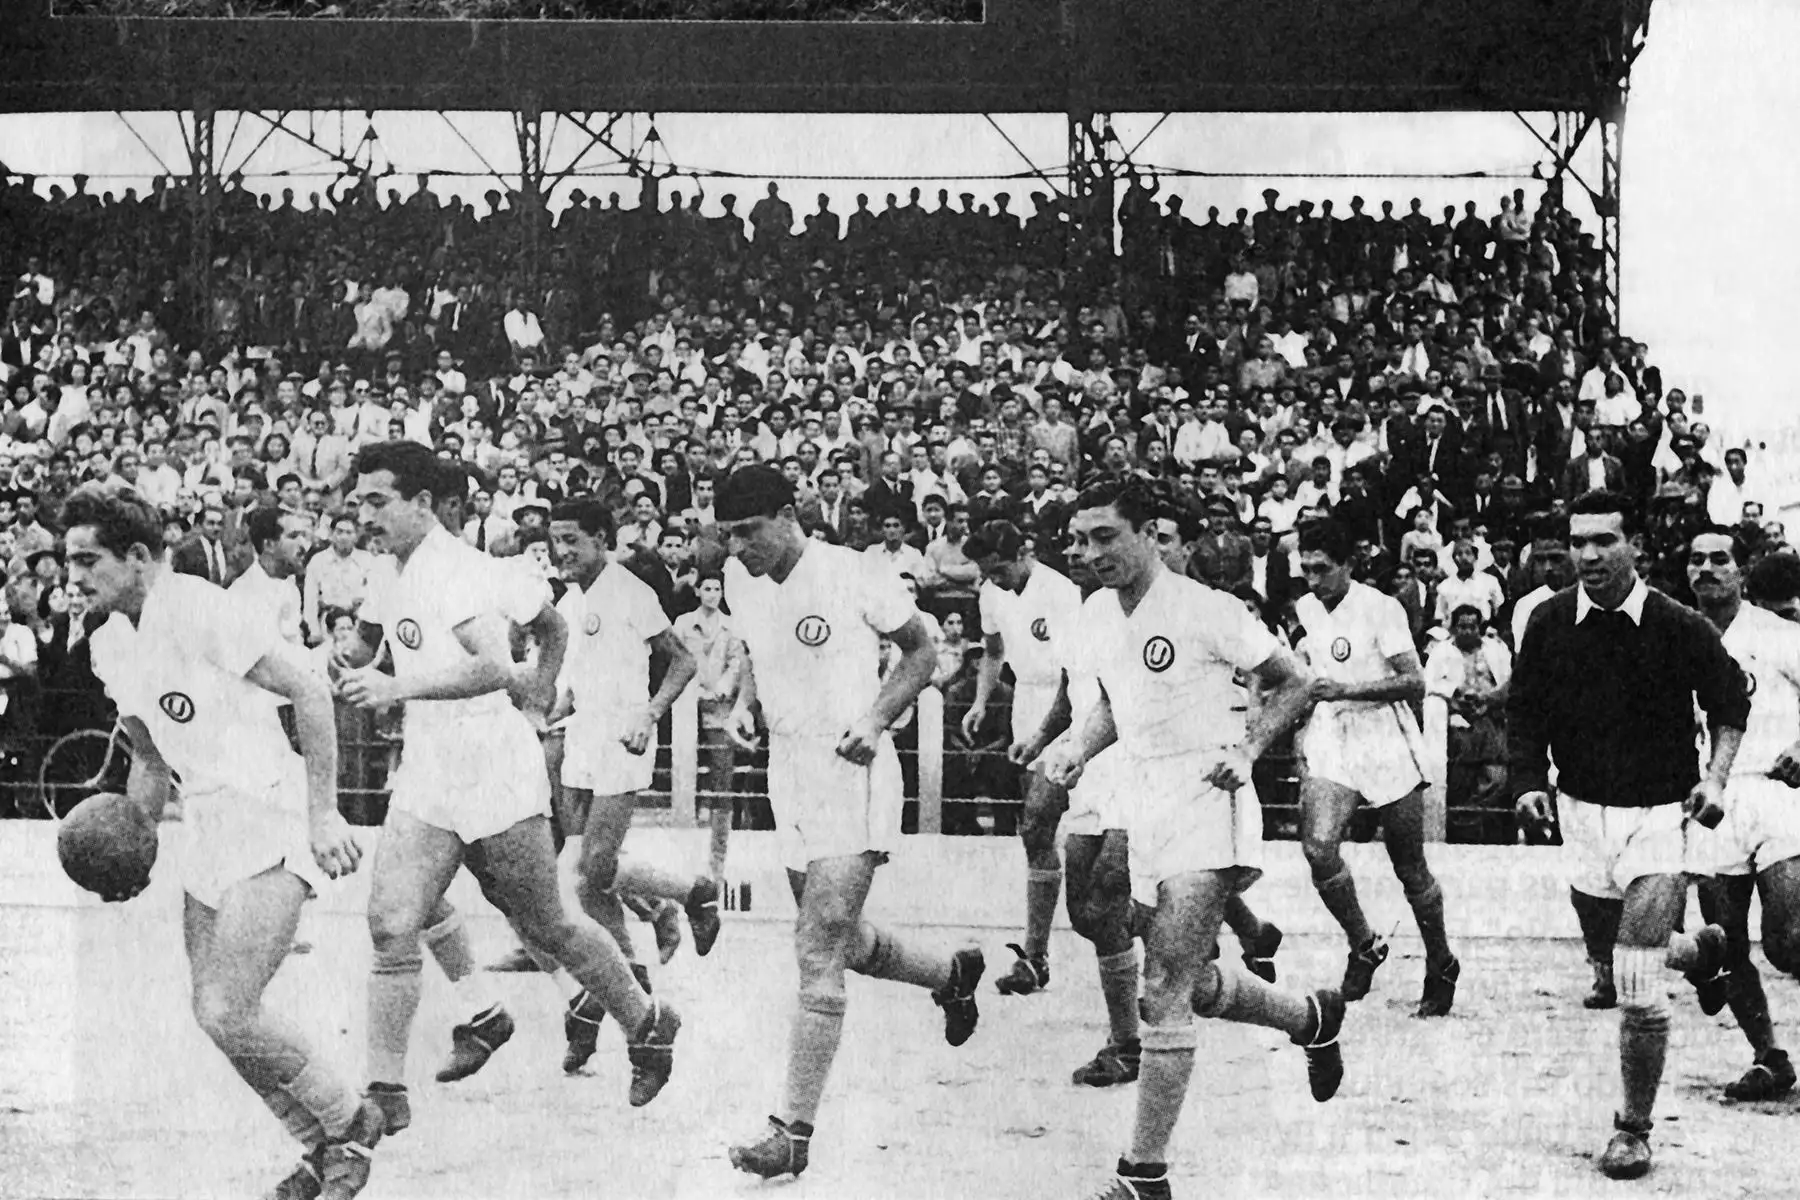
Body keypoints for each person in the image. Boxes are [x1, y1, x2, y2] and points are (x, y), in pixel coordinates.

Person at [336, 441, 680, 1134]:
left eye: (377, 502)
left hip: (492, 761)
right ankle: (385, 1090)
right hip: (432, 767)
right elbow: (546, 625)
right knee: (391, 920)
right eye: (359, 503)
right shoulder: (391, 570)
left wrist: (400, 686)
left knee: (547, 923)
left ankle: (647, 1022)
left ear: (422, 504)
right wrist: (339, 661)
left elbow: (494, 665)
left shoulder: (455, 572)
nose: (364, 515)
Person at [62, 483, 383, 1200]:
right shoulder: (109, 645)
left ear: (138, 557)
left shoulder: (201, 609)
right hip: (207, 827)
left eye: (88, 560)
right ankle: (316, 1147)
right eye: (68, 560)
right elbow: (149, 762)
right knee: (215, 1016)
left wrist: (324, 814)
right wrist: (133, 840)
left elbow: (311, 691)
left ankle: (351, 1121)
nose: (73, 575)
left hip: (270, 812)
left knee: (229, 1008)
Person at [1039, 476, 1343, 1200]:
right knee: (1190, 983)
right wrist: (1078, 748)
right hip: (1142, 799)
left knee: (1164, 986)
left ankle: (1144, 1174)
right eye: (1080, 541)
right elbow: (1114, 702)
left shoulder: (1209, 610)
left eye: (1106, 536)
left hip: (1210, 797)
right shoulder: (1098, 617)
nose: (1090, 553)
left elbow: (1297, 681)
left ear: (1152, 533)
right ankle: (1309, 1016)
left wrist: (1248, 747)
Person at [714, 464, 984, 1181]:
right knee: (836, 937)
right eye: (728, 536)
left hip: (851, 766)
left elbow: (923, 651)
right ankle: (952, 974)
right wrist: (745, 703)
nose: (739, 547)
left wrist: (875, 717)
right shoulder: (743, 580)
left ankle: (791, 1131)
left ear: (787, 513)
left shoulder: (854, 573)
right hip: (788, 773)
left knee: (816, 946)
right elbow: (752, 647)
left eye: (749, 531)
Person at [1509, 490, 1750, 1180]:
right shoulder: (1549, 621)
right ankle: (1701, 953)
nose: (1587, 555)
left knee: (1637, 981)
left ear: (1636, 545)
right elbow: (1525, 710)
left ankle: (1633, 1129)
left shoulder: (1679, 625)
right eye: (1577, 542)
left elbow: (1730, 704)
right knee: (1611, 960)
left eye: (1604, 541)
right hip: (1582, 814)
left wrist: (1716, 778)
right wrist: (1528, 781)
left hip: (1658, 816)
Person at [545, 496, 718, 1075]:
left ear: (601, 540)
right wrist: (558, 702)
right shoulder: (570, 599)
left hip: (623, 736)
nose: (561, 550)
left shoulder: (631, 592)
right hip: (581, 736)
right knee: (589, 882)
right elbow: (577, 671)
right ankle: (635, 981)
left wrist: (650, 712)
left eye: (573, 540)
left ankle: (691, 892)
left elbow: (683, 660)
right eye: (556, 539)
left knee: (593, 868)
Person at [1293, 518, 1461, 1016]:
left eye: (1322, 570)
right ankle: (1364, 944)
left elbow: (1415, 683)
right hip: (1334, 733)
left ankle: (1441, 961)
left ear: (1349, 564)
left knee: (1408, 864)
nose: (1312, 580)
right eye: (1305, 569)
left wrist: (1346, 689)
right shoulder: (1305, 607)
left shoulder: (1381, 608)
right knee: (1319, 849)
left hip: (1384, 735)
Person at [1682, 527, 1800, 1100]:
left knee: (1790, 937)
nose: (1707, 569)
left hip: (1778, 795)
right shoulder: (1674, 636)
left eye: (1719, 560)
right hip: (1709, 804)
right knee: (1726, 944)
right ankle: (1770, 1058)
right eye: (1696, 561)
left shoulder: (1776, 634)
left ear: (1743, 570)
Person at [961, 519, 1085, 995]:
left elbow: (1079, 670)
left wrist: (1054, 728)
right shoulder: (991, 593)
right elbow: (993, 651)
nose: (995, 580)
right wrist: (979, 701)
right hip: (1025, 706)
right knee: (1035, 831)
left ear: (1022, 553)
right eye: (987, 573)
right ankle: (1036, 957)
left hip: (1069, 705)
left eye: (1000, 570)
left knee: (1049, 824)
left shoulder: (1061, 593)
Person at [672, 570, 745, 885]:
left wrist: (725, 687)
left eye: (717, 588)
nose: (712, 594)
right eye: (707, 588)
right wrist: (690, 689)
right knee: (683, 774)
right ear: (698, 591)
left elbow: (738, 663)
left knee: (722, 777)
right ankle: (682, 853)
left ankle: (718, 858)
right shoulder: (683, 624)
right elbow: (675, 659)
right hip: (687, 705)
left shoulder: (732, 626)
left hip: (720, 707)